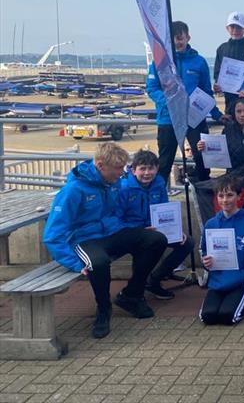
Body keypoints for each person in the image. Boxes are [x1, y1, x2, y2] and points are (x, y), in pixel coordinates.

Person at [43, 143, 167, 339]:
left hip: (111, 232)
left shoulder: (113, 182)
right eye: (118, 169)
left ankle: (131, 296)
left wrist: (137, 230)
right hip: (85, 239)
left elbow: (114, 214)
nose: (122, 173)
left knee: (156, 239)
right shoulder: (73, 190)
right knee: (98, 262)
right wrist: (74, 263)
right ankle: (103, 309)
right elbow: (52, 235)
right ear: (101, 166)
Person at [147, 20, 223, 183]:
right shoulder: (159, 62)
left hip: (194, 118)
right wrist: (170, 102)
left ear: (188, 37)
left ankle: (204, 196)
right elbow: (152, 88)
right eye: (174, 38)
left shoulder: (199, 61)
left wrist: (216, 114)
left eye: (181, 38)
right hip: (169, 119)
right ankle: (159, 199)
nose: (177, 42)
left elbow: (206, 91)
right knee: (165, 162)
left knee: (202, 159)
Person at [117, 149, 194, 300]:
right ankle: (137, 288)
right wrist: (140, 230)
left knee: (187, 242)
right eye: (142, 169)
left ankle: (155, 279)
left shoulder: (159, 184)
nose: (147, 173)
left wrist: (175, 230)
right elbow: (117, 220)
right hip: (132, 231)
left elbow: (164, 211)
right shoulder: (124, 188)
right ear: (133, 170)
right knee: (146, 245)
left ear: (157, 169)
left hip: (155, 229)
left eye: (151, 168)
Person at [200, 175, 244, 325]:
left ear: (239, 196)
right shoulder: (211, 224)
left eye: (229, 195)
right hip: (218, 281)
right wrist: (206, 262)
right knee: (207, 317)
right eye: (221, 196)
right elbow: (204, 251)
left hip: (242, 281)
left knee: (228, 317)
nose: (225, 200)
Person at [197, 96, 244, 171]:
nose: (242, 115)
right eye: (238, 111)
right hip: (232, 177)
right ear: (234, 112)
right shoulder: (227, 130)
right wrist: (204, 147)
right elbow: (217, 153)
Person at [213, 12, 244, 116]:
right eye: (232, 27)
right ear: (227, 28)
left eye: (238, 27)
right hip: (229, 100)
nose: (235, 30)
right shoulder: (222, 48)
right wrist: (217, 85)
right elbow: (217, 72)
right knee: (230, 126)